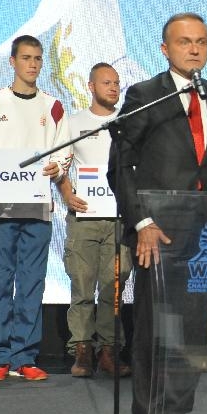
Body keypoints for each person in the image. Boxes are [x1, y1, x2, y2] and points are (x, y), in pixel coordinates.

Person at [110, 13, 207, 414]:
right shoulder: (144, 96)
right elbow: (121, 165)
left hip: (206, 234)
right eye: (185, 42)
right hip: (158, 233)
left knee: (189, 330)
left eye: (201, 42)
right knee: (154, 326)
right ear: (165, 48)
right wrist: (142, 221)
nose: (194, 49)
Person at [0, 35, 71, 382]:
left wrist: (56, 168)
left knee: (32, 282)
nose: (32, 64)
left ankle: (25, 356)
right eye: (26, 58)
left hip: (37, 207)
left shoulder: (53, 106)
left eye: (38, 58)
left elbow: (63, 151)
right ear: (12, 61)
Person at [55, 63, 125, 377]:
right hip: (84, 217)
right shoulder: (72, 123)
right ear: (90, 85)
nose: (113, 87)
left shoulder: (128, 122)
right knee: (82, 286)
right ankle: (81, 350)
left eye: (117, 83)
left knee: (113, 288)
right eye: (106, 82)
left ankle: (109, 351)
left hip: (118, 218)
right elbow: (60, 166)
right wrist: (67, 194)